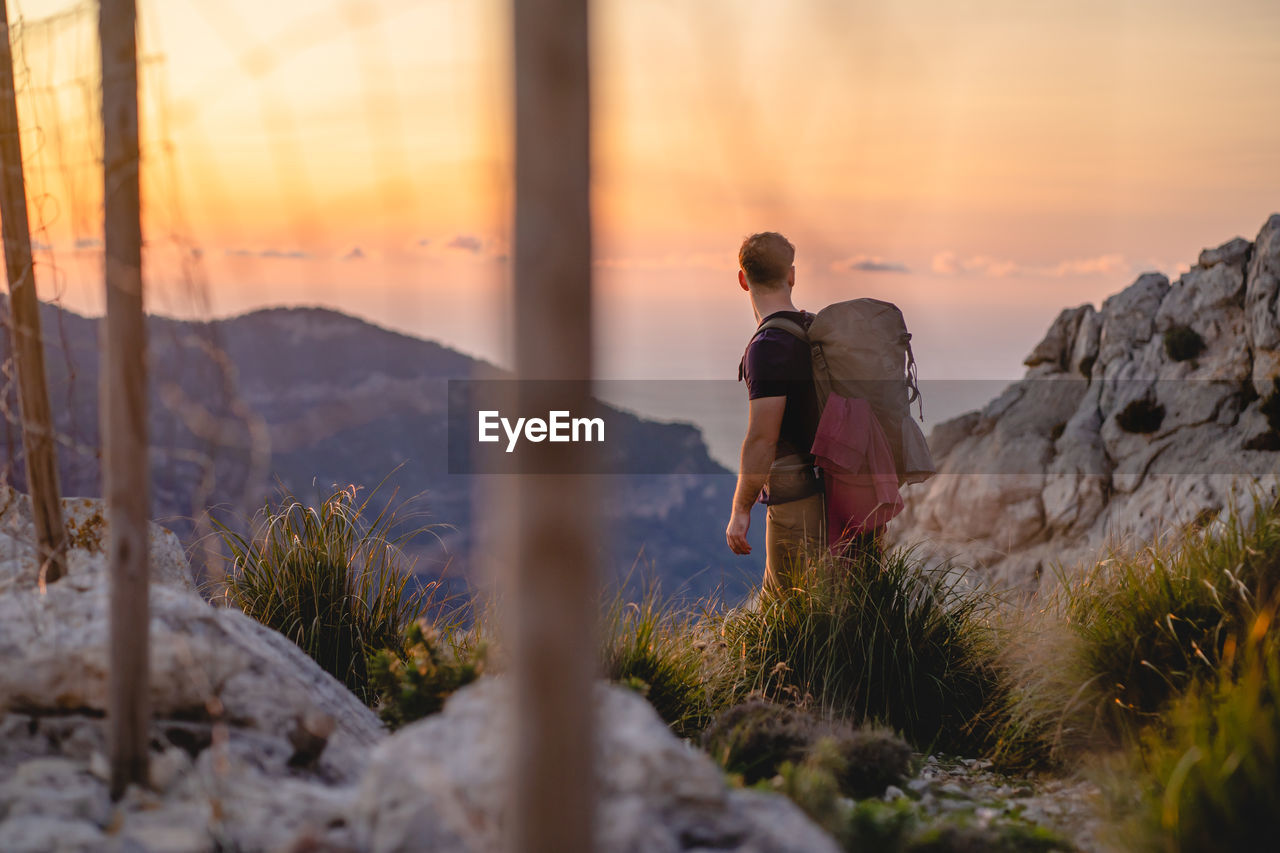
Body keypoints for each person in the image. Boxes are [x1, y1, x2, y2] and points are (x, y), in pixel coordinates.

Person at [725, 232, 824, 591]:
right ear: (791, 275)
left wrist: (740, 510)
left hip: (798, 504)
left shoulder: (767, 347)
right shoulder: (815, 330)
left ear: (742, 279)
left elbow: (762, 440)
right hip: (844, 494)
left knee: (786, 620)